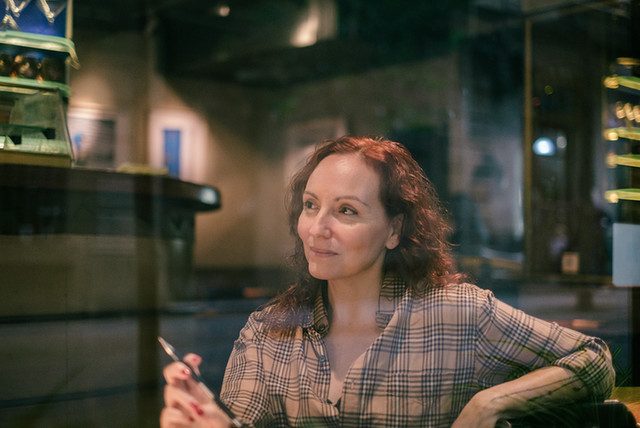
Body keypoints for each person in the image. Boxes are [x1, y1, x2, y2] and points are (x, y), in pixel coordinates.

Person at [161, 136, 614, 427]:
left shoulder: (457, 314)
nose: (317, 228)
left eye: (346, 211)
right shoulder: (268, 333)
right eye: (311, 205)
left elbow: (593, 360)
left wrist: (490, 404)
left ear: (395, 230)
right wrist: (206, 418)